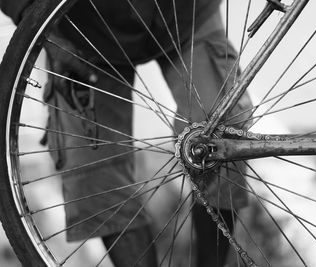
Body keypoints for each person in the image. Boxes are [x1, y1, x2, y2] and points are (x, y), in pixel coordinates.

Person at [0, 0, 253, 266]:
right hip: (81, 30)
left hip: (186, 13)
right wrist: (35, 20)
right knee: (97, 178)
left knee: (220, 135)